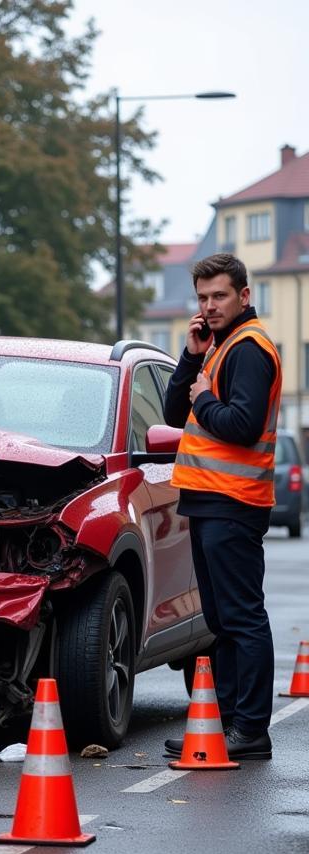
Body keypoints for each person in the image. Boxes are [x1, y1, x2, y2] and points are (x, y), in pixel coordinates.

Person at [163, 252, 281, 760]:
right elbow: (174, 414)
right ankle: (227, 723)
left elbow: (242, 425)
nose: (209, 307)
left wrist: (206, 396)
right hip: (211, 501)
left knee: (241, 617)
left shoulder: (249, 348)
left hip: (233, 501)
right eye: (202, 298)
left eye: (219, 296)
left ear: (244, 296)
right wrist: (191, 359)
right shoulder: (220, 346)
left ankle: (250, 729)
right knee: (222, 618)